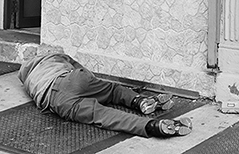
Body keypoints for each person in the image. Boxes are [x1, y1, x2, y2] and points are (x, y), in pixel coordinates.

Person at [18, 52, 192, 138]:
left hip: (55, 100)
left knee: (103, 115)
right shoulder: (51, 57)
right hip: (71, 79)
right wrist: (94, 84)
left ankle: (152, 126)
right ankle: (138, 100)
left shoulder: (27, 78)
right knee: (112, 91)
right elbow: (77, 65)